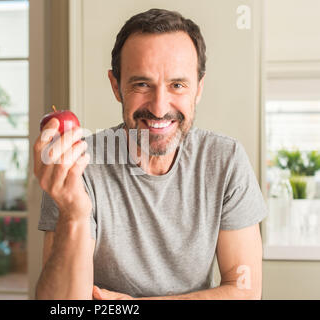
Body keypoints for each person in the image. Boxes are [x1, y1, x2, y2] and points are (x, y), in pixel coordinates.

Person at [34, 8, 267, 300]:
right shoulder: (76, 165)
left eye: (177, 85)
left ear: (198, 89)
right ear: (116, 86)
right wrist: (74, 214)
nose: (159, 107)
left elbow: (245, 291)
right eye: (142, 84)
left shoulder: (225, 160)